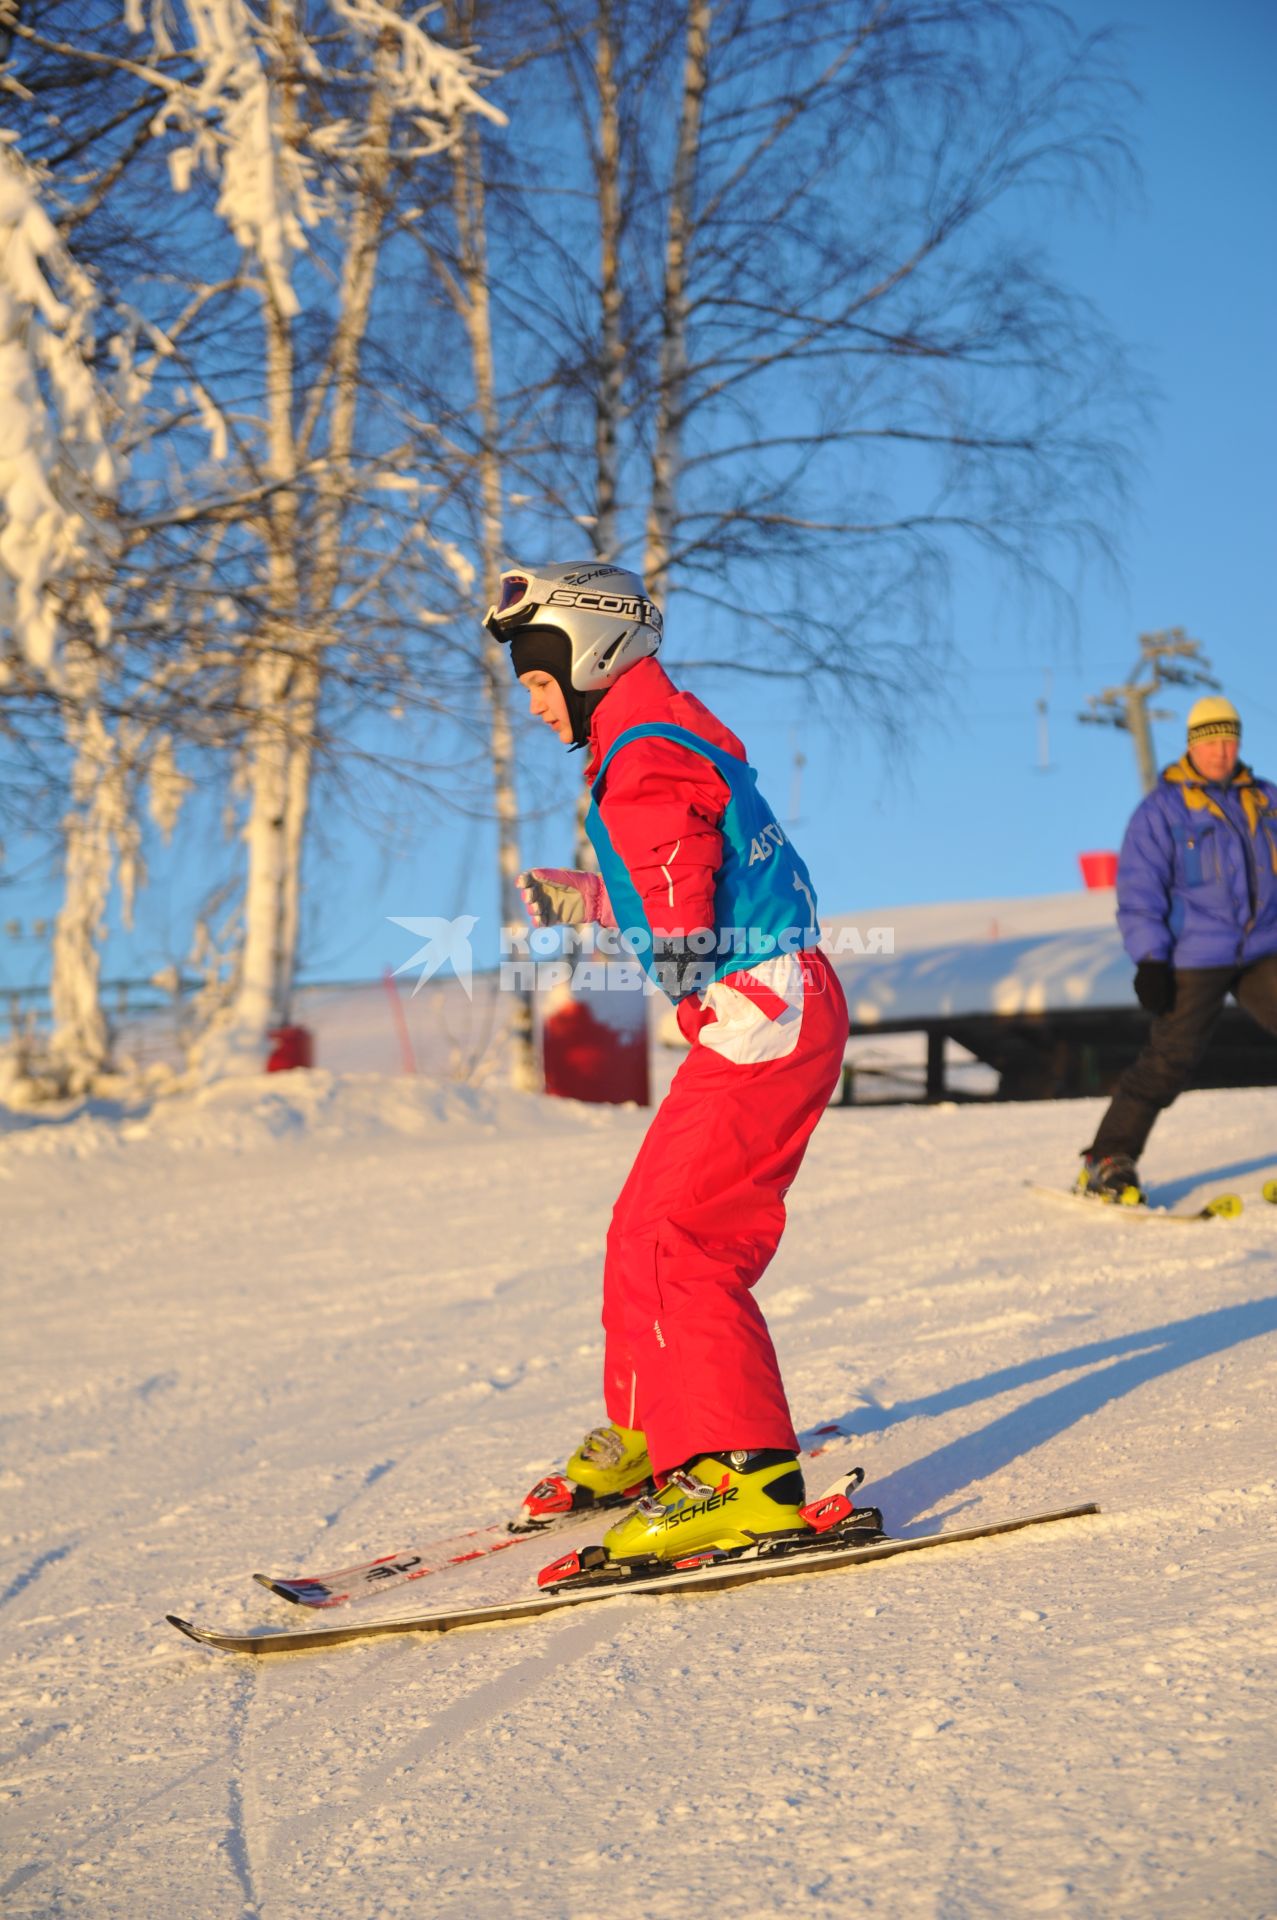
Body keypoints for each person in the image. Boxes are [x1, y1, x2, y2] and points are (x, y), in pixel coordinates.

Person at [487, 560, 848, 1565]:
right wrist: (595, 901)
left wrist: (683, 971)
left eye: (537, 675)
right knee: (641, 1226)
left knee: (686, 1234)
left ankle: (744, 1472)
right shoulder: (657, 737)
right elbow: (680, 874)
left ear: (587, 651)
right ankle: (656, 1427)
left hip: (758, 1006)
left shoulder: (641, 752)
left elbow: (679, 887)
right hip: (761, 997)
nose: (533, 699)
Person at [1080, 695, 1277, 1201]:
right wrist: (1151, 959)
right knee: (1169, 1058)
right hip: (1195, 954)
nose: (1222, 750)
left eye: (1230, 739)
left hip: (1264, 947)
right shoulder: (1161, 811)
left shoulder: (1266, 800)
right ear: (1192, 745)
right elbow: (1140, 891)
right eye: (1211, 740)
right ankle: (1108, 1160)